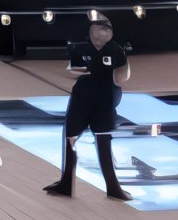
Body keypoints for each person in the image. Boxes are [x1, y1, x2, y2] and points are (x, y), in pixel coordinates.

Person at [46, 16, 132, 200]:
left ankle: (112, 188)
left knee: (101, 140)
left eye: (105, 28)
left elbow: (121, 78)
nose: (102, 32)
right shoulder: (82, 48)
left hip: (102, 100)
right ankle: (68, 183)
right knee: (73, 139)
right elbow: (74, 69)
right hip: (84, 99)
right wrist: (85, 71)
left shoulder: (116, 50)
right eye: (98, 28)